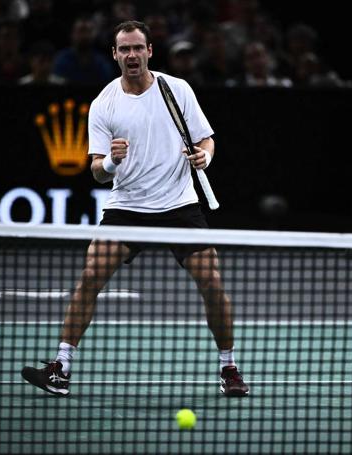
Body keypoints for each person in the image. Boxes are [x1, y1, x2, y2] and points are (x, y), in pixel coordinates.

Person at [21, 20, 250, 398]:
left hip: (179, 206)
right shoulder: (104, 104)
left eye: (137, 48)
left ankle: (229, 367)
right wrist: (111, 163)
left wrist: (203, 158)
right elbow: (96, 171)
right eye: (123, 49)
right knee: (91, 275)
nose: (131, 55)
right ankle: (61, 368)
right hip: (127, 207)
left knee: (212, 283)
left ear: (149, 52)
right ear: (114, 54)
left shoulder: (177, 90)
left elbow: (206, 139)